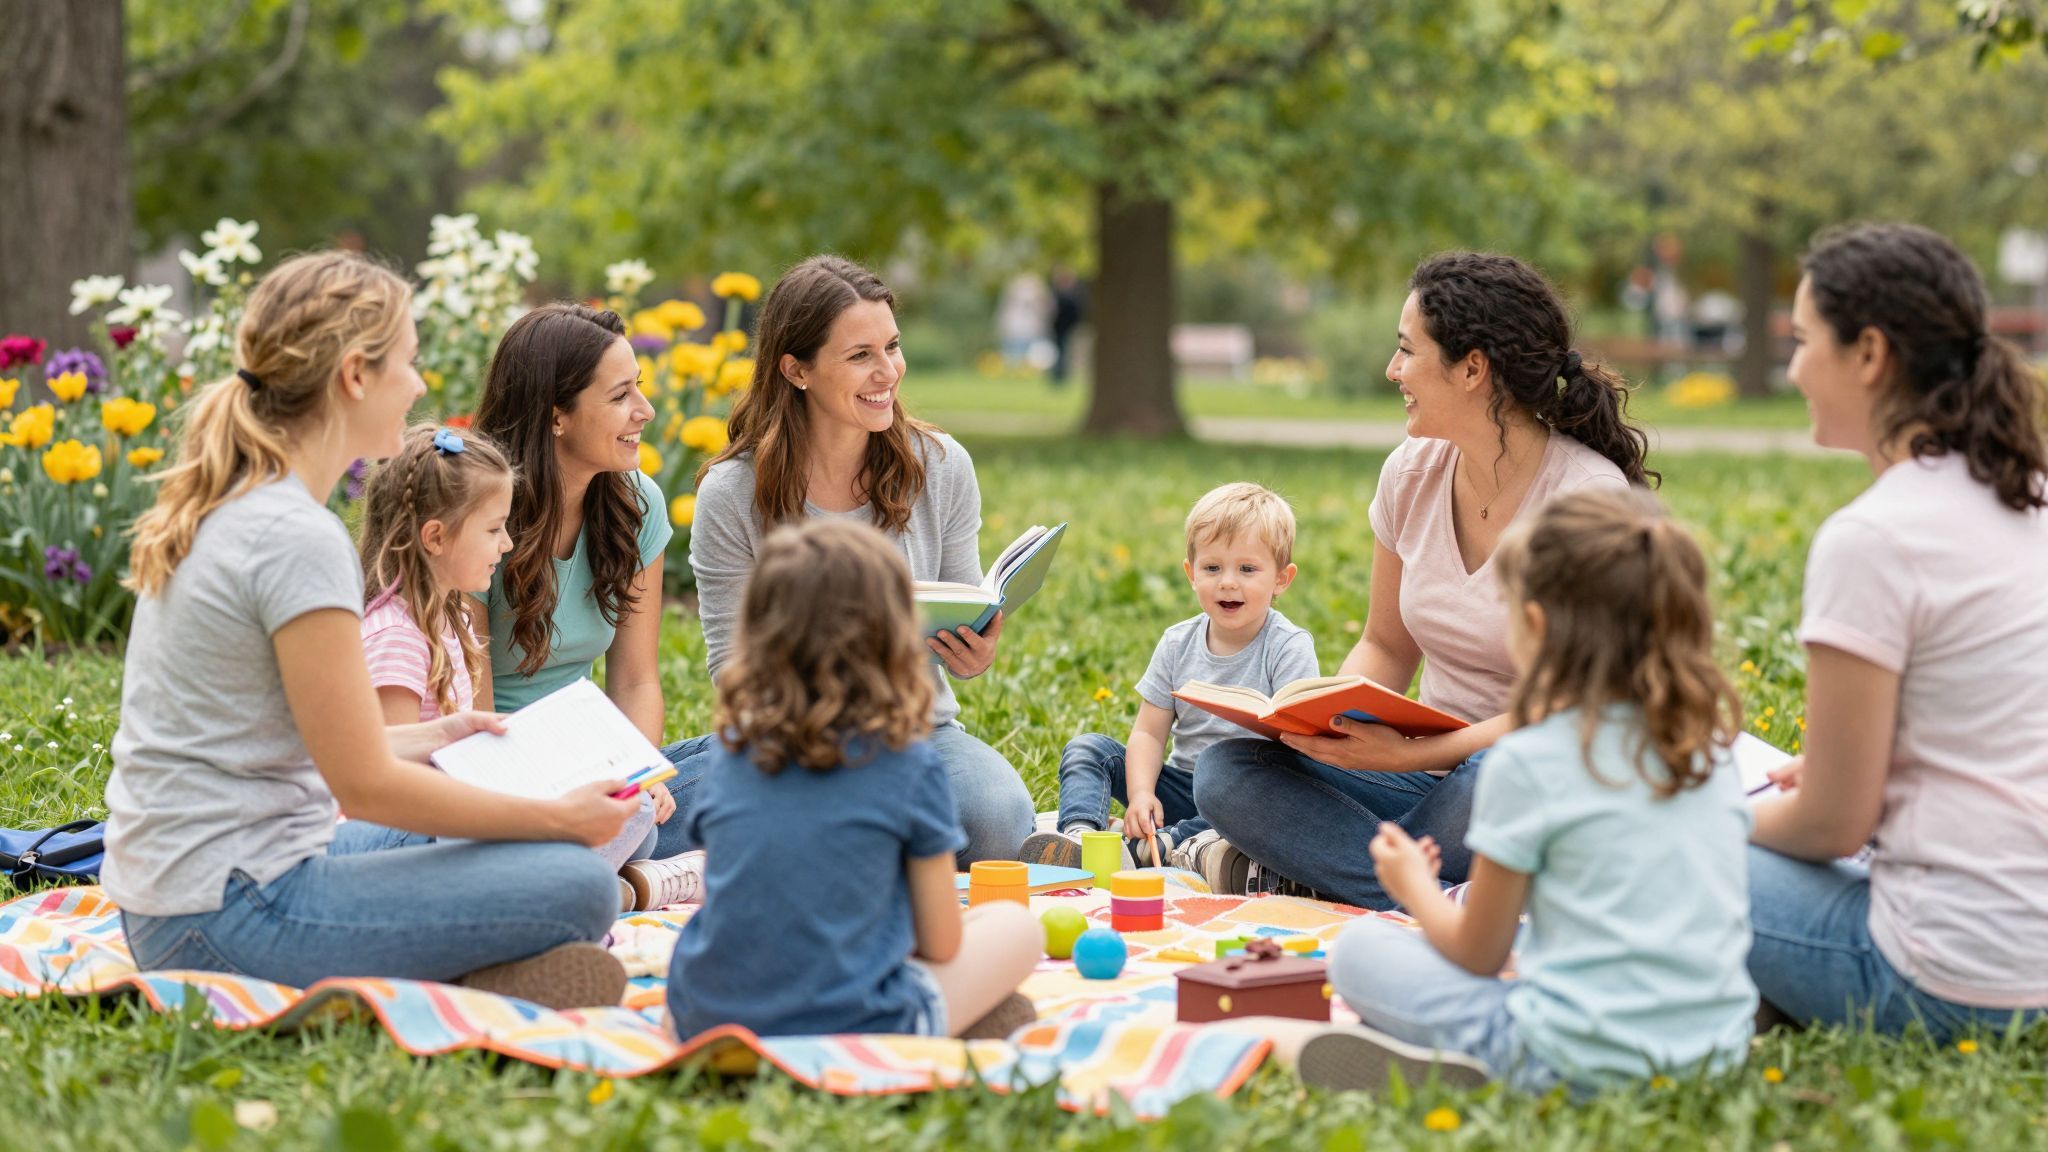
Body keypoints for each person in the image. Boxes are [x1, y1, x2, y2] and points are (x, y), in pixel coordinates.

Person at [102, 252, 637, 1009]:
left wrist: (439, 734)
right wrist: (558, 817)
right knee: (581, 883)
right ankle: (463, 976)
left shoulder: (247, 504)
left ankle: (465, 972)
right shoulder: (295, 536)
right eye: (409, 363)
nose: (419, 386)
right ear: (355, 375)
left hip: (197, 887)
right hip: (221, 914)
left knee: (490, 837)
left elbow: (316, 750)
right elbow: (365, 786)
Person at [1193, 252, 1653, 905]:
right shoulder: (1411, 473)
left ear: (1472, 369)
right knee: (1225, 771)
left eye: (1408, 351)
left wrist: (1410, 756)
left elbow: (1573, 706)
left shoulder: (1586, 501)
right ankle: (1446, 896)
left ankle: (1350, 872)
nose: (1393, 370)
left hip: (1528, 768)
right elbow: (1386, 643)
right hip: (1425, 776)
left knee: (1505, 776)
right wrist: (1325, 726)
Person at [1301, 488, 1755, 1095]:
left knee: (1360, 948)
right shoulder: (1708, 746)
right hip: (1714, 1058)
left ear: (1536, 626)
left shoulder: (1532, 760)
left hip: (1566, 1062)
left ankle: (1453, 1069)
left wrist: (1413, 887)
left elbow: (1477, 955)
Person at [1746, 223, 2048, 1040]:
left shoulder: (1875, 538)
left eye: (1806, 340)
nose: (1795, 367)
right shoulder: (2031, 499)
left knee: (1647, 837)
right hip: (2031, 952)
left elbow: (1832, 826)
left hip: (1942, 977)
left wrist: (1713, 822)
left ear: (1870, 354)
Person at [655, 255, 1035, 865]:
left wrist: (977, 649)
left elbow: (964, 612)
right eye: (860, 356)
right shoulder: (731, 492)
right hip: (791, 741)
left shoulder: (941, 466)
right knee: (654, 830)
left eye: (892, 346)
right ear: (797, 370)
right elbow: (733, 668)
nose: (888, 372)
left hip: (916, 736)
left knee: (998, 821)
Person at [666, 520, 1041, 1040]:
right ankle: (956, 1016)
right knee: (1013, 927)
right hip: (859, 1020)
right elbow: (940, 943)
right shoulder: (911, 768)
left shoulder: (732, 757)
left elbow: (735, 903)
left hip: (707, 1013)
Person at [355, 423, 660, 897]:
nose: (507, 544)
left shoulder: (445, 615)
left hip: (459, 817)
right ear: (435, 537)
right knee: (626, 819)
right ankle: (594, 892)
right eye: (494, 529)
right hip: (420, 840)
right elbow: (387, 787)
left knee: (633, 809)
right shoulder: (397, 634)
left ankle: (572, 886)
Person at [471, 304, 700, 908]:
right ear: (556, 417)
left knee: (756, 772)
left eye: (640, 392)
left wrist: (639, 774)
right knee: (629, 828)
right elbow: (469, 706)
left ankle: (620, 875)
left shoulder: (636, 504)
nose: (644, 413)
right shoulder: (479, 516)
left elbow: (636, 678)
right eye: (621, 396)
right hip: (491, 773)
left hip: (590, 760)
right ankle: (622, 883)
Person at [1020, 483, 1318, 874]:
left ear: (1281, 579)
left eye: (1247, 569)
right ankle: (1079, 836)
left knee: (1265, 796)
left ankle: (1164, 845)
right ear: (1191, 574)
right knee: (1090, 748)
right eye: (1212, 568)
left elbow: (1301, 751)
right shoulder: (1178, 643)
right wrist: (1142, 793)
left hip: (1245, 796)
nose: (1228, 582)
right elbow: (1148, 733)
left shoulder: (1288, 647)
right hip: (1184, 785)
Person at [1049, 267, 1086, 387]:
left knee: (1064, 353)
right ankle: (1058, 376)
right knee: (1061, 353)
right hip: (1060, 329)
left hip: (1066, 328)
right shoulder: (1064, 294)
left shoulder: (1069, 296)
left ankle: (1060, 376)